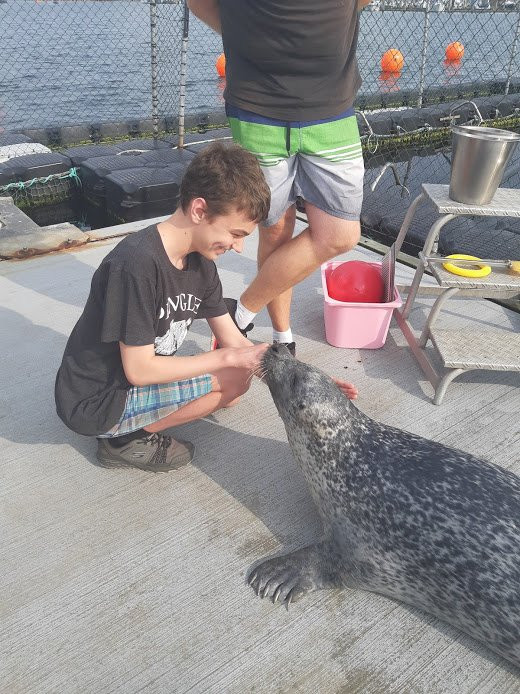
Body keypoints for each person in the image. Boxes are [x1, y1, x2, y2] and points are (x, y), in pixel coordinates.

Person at [55, 143, 272, 472]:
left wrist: (301, 379)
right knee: (232, 380)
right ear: (200, 210)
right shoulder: (136, 265)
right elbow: (139, 370)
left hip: (134, 381)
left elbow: (235, 341)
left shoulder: (201, 264)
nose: (239, 248)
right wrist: (229, 359)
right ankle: (123, 440)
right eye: (235, 233)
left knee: (237, 381)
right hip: (98, 400)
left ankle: (138, 423)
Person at [188, 0, 370, 356]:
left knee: (341, 235)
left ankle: (241, 311)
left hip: (332, 108)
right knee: (274, 227)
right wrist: (244, 35)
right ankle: (282, 334)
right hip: (257, 108)